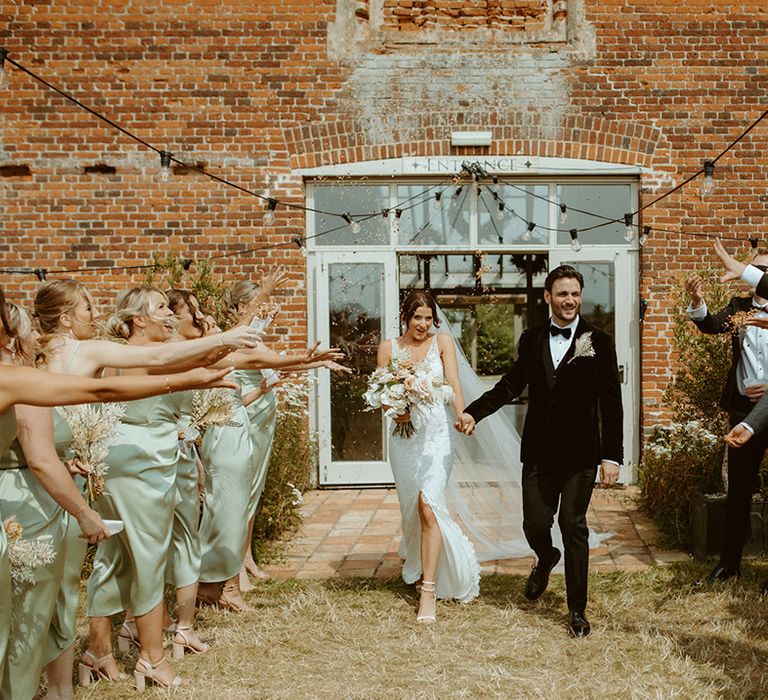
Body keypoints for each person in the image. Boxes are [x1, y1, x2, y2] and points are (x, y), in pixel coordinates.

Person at [0, 286, 235, 694]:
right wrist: (201, 366)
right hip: (34, 499)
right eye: (87, 306)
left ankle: (67, 681)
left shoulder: (35, 366)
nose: (96, 313)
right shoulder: (29, 371)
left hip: (57, 483)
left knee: (53, 601)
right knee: (30, 613)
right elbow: (102, 392)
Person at [456, 265, 623, 637]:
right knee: (534, 523)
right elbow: (511, 384)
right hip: (539, 452)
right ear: (548, 297)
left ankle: (576, 610)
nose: (569, 300)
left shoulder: (600, 341)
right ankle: (546, 557)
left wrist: (612, 456)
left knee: (572, 525)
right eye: (562, 294)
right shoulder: (531, 339)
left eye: (575, 294)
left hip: (581, 455)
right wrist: (473, 412)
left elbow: (612, 403)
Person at [374, 290, 479, 624]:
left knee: (428, 506)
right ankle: (419, 565)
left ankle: (429, 591)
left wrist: (463, 415)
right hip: (404, 441)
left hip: (436, 436)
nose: (422, 324)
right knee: (411, 511)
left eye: (427, 317)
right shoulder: (388, 348)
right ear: (405, 316)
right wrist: (396, 409)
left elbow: (453, 383)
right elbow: (380, 394)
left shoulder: (443, 341)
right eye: (416, 316)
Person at [685, 248, 768, 582]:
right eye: (756, 269)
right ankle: (728, 565)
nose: (760, 275)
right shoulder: (738, 308)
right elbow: (711, 325)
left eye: (763, 270)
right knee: (738, 491)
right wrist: (697, 301)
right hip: (743, 410)